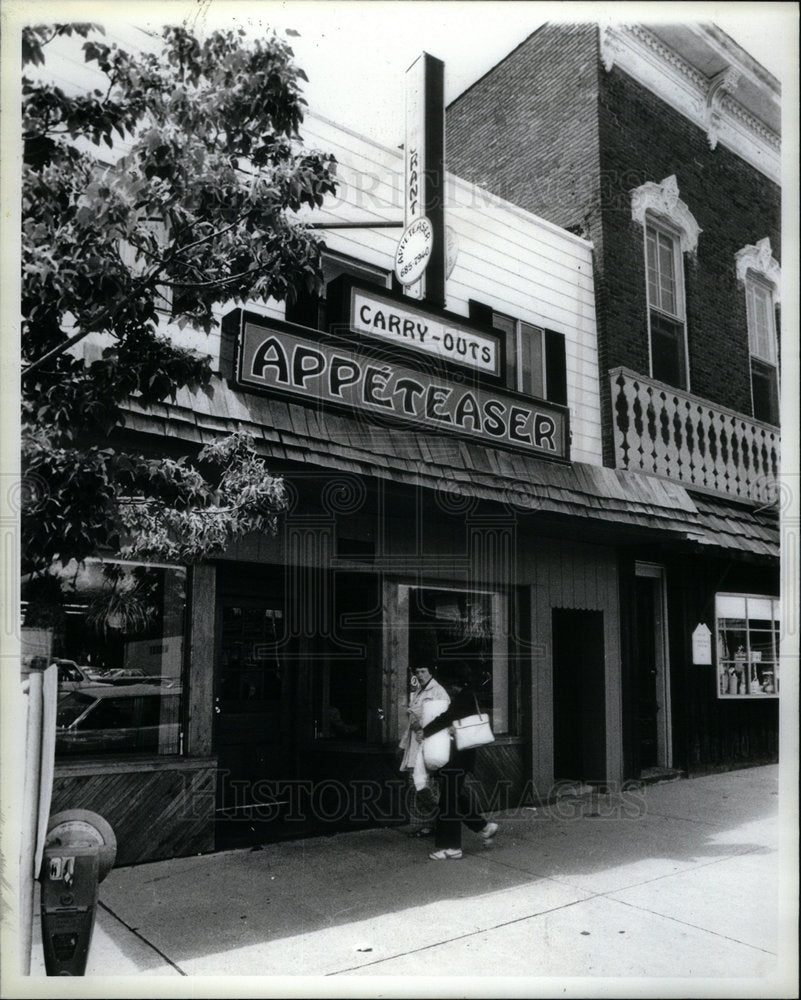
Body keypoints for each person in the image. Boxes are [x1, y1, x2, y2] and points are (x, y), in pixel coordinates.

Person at [421, 663, 499, 860]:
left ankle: (451, 846)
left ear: (454, 682)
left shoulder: (463, 697)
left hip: (457, 757)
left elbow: (447, 717)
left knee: (448, 801)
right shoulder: (470, 694)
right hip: (463, 756)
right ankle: (484, 826)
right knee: (452, 796)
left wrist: (425, 731)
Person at [399, 665, 450, 838]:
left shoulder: (438, 692)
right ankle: (435, 821)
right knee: (419, 783)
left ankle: (437, 820)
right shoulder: (420, 691)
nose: (419, 675)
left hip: (429, 744)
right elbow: (412, 720)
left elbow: (443, 719)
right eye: (417, 672)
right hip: (416, 744)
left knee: (421, 783)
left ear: (431, 673)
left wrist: (420, 726)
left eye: (423, 672)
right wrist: (403, 744)